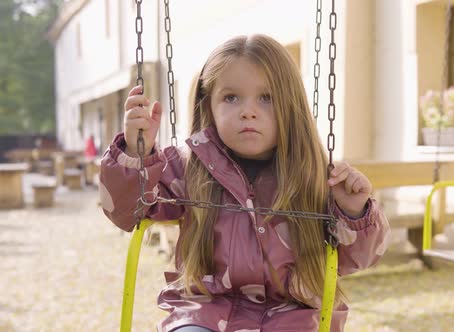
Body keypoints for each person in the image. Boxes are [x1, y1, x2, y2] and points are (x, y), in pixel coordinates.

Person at [100, 34, 391, 332]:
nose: (248, 111)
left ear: (291, 106)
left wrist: (354, 212)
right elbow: (126, 212)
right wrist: (137, 155)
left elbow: (360, 259)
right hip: (206, 311)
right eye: (231, 97)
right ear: (208, 105)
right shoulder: (187, 166)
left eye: (267, 98)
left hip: (295, 316)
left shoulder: (315, 174)